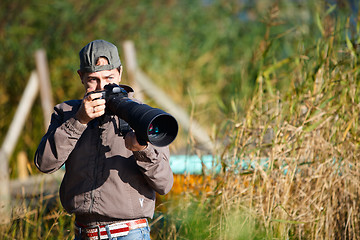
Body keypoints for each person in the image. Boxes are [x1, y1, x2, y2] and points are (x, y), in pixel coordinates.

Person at [34, 39, 174, 240]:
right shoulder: (66, 113)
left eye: (109, 77)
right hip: (82, 233)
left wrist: (141, 149)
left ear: (119, 72)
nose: (102, 87)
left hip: (129, 233)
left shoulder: (144, 117)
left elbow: (164, 184)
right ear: (81, 77)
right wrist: (79, 121)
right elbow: (44, 164)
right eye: (93, 79)